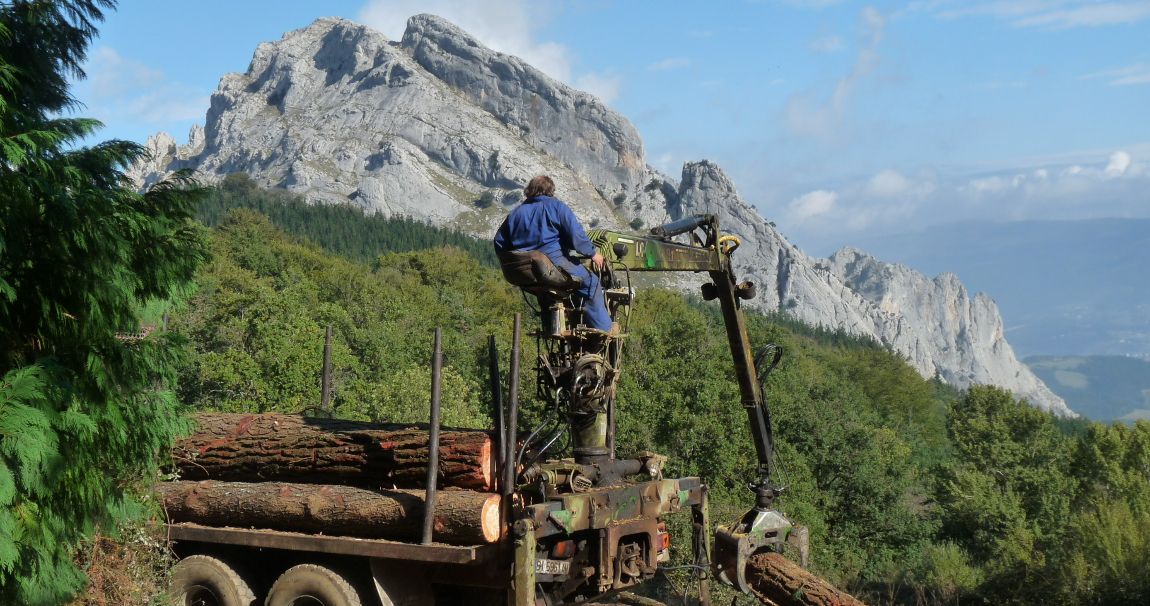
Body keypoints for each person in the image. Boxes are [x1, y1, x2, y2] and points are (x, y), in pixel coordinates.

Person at [493, 175, 616, 334]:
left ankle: (549, 327)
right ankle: (604, 329)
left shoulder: (516, 213)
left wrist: (513, 260)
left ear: (529, 190)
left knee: (544, 291)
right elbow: (576, 236)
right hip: (553, 262)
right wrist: (593, 254)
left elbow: (499, 242)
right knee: (592, 283)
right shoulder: (556, 207)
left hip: (525, 271)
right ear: (550, 190)